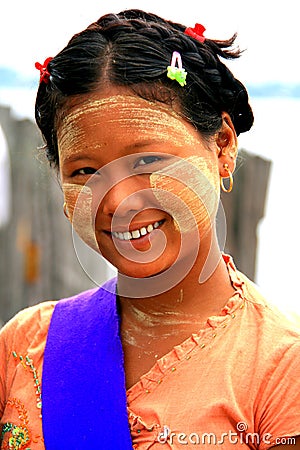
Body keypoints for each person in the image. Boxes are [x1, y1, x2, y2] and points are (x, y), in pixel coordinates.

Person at [0, 9, 299, 449]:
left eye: (146, 162)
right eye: (84, 171)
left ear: (222, 145)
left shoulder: (279, 368)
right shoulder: (27, 345)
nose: (118, 202)